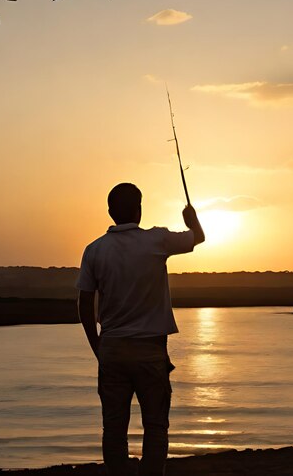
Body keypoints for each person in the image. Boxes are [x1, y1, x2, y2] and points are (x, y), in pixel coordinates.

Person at [77, 182, 205, 476]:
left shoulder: (94, 250)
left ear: (110, 212)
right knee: (156, 426)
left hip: (112, 349)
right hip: (150, 352)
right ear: (139, 210)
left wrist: (98, 347)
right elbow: (198, 237)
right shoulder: (157, 240)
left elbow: (84, 305)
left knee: (113, 428)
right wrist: (192, 219)